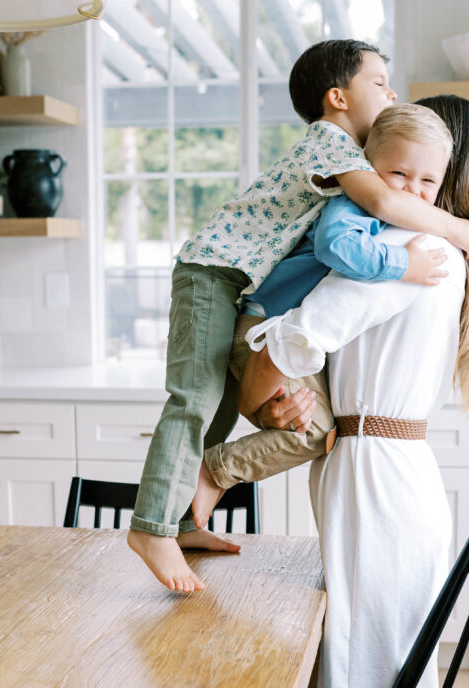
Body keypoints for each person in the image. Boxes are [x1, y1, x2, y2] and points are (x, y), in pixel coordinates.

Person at [126, 39, 469, 593]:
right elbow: (387, 209)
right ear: (338, 98)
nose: (391, 93)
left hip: (238, 285)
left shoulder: (352, 162)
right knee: (194, 401)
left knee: (215, 410)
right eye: (380, 82)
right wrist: (452, 234)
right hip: (211, 273)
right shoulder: (332, 144)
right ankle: (150, 528)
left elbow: (391, 204)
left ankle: (178, 521)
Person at [234, 94, 469, 687]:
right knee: (374, 657)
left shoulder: (413, 251)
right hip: (388, 469)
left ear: (445, 174)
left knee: (356, 663)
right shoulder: (437, 249)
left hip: (377, 476)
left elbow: (300, 333)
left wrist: (251, 398)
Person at [191, 102, 455, 526]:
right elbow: (335, 247)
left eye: (428, 181)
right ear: (369, 168)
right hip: (259, 327)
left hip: (272, 332)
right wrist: (404, 265)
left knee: (303, 425)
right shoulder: (352, 206)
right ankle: (214, 470)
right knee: (316, 432)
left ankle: (206, 482)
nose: (411, 192)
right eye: (398, 175)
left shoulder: (386, 221)